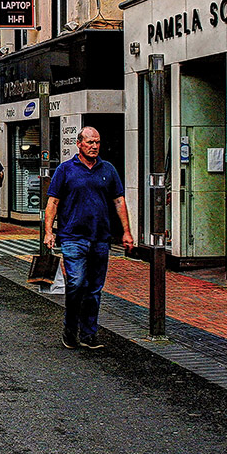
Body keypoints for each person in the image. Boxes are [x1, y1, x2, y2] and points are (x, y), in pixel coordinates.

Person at [44, 127, 135, 350]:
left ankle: (88, 334)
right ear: (79, 144)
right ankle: (70, 328)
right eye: (90, 142)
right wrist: (48, 231)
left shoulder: (108, 169)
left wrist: (127, 231)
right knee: (76, 284)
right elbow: (53, 202)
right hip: (72, 237)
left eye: (97, 142)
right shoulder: (65, 170)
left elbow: (119, 202)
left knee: (94, 289)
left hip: (100, 238)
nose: (94, 146)